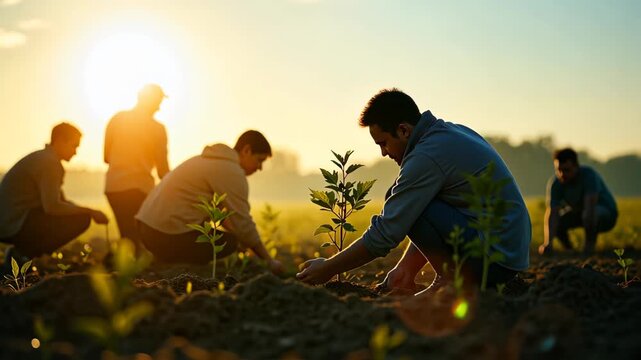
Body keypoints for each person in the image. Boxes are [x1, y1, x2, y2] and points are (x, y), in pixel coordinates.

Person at [296, 89, 531, 294]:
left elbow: (384, 235)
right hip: (507, 256)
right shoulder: (449, 133)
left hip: (494, 262)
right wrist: (406, 268)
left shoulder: (426, 156)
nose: (384, 153)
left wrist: (328, 268)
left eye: (383, 143)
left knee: (397, 198)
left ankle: (454, 282)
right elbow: (429, 213)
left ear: (404, 130)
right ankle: (447, 279)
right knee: (411, 201)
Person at [135, 130, 283, 273]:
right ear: (246, 150)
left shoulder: (208, 160)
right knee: (229, 242)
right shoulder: (231, 171)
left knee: (229, 238)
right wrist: (269, 260)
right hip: (165, 235)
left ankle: (167, 261)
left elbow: (225, 217)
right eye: (260, 160)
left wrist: (244, 239)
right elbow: (242, 223)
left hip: (146, 229)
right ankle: (182, 267)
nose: (260, 168)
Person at [0, 122, 109, 263]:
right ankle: (22, 255)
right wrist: (90, 211)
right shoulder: (50, 163)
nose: (75, 152)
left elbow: (61, 201)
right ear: (60, 141)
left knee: (79, 214)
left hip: (10, 220)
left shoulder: (44, 158)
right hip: (12, 224)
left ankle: (22, 255)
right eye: (74, 146)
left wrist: (88, 210)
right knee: (82, 219)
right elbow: (52, 207)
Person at [104, 84, 170, 253]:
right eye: (159, 101)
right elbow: (163, 170)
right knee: (140, 240)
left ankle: (122, 268)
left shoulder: (117, 119)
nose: (159, 107)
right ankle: (134, 272)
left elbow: (106, 157)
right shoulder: (158, 129)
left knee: (128, 237)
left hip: (114, 187)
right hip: (140, 188)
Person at [538, 148, 617, 255]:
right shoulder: (556, 183)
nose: (562, 174)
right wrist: (548, 243)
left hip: (605, 214)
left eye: (566, 170)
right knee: (558, 221)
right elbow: (553, 213)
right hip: (581, 213)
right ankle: (570, 250)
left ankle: (589, 248)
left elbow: (590, 207)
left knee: (588, 214)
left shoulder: (589, 176)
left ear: (576, 167)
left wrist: (588, 245)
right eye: (559, 170)